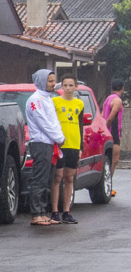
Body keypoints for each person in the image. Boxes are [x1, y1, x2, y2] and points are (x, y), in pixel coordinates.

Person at [26, 69, 65, 226]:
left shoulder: (48, 98)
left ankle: (42, 212)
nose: (53, 84)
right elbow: (44, 123)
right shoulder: (35, 100)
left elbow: (54, 121)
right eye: (50, 81)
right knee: (39, 179)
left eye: (53, 81)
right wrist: (59, 137)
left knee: (48, 179)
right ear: (42, 82)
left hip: (50, 143)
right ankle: (36, 213)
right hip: (41, 143)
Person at [50, 75, 83, 224]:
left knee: (69, 178)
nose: (68, 88)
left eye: (71, 85)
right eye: (66, 85)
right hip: (59, 144)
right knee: (57, 177)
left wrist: (81, 147)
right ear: (61, 87)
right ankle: (55, 211)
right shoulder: (55, 102)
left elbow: (80, 125)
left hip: (74, 144)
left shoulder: (79, 104)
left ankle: (67, 211)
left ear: (76, 87)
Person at [101, 78, 123, 197]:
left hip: (108, 133)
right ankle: (107, 185)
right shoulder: (117, 100)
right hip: (113, 133)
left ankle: (107, 184)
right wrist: (106, 128)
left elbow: (102, 114)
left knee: (110, 160)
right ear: (123, 88)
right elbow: (111, 117)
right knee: (114, 160)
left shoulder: (107, 99)